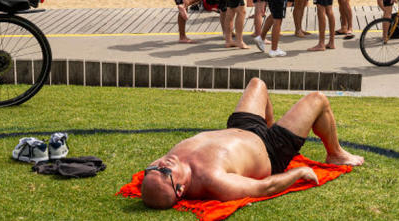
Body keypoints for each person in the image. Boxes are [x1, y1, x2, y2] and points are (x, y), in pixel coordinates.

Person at [141, 78, 363, 209]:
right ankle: (336, 153)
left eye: (153, 167)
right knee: (318, 99)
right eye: (163, 172)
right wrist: (299, 173)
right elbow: (263, 188)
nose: (161, 164)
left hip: (240, 127)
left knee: (257, 83)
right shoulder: (213, 180)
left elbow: (156, 174)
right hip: (271, 149)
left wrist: (156, 171)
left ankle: (273, 124)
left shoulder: (165, 166)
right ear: (180, 190)